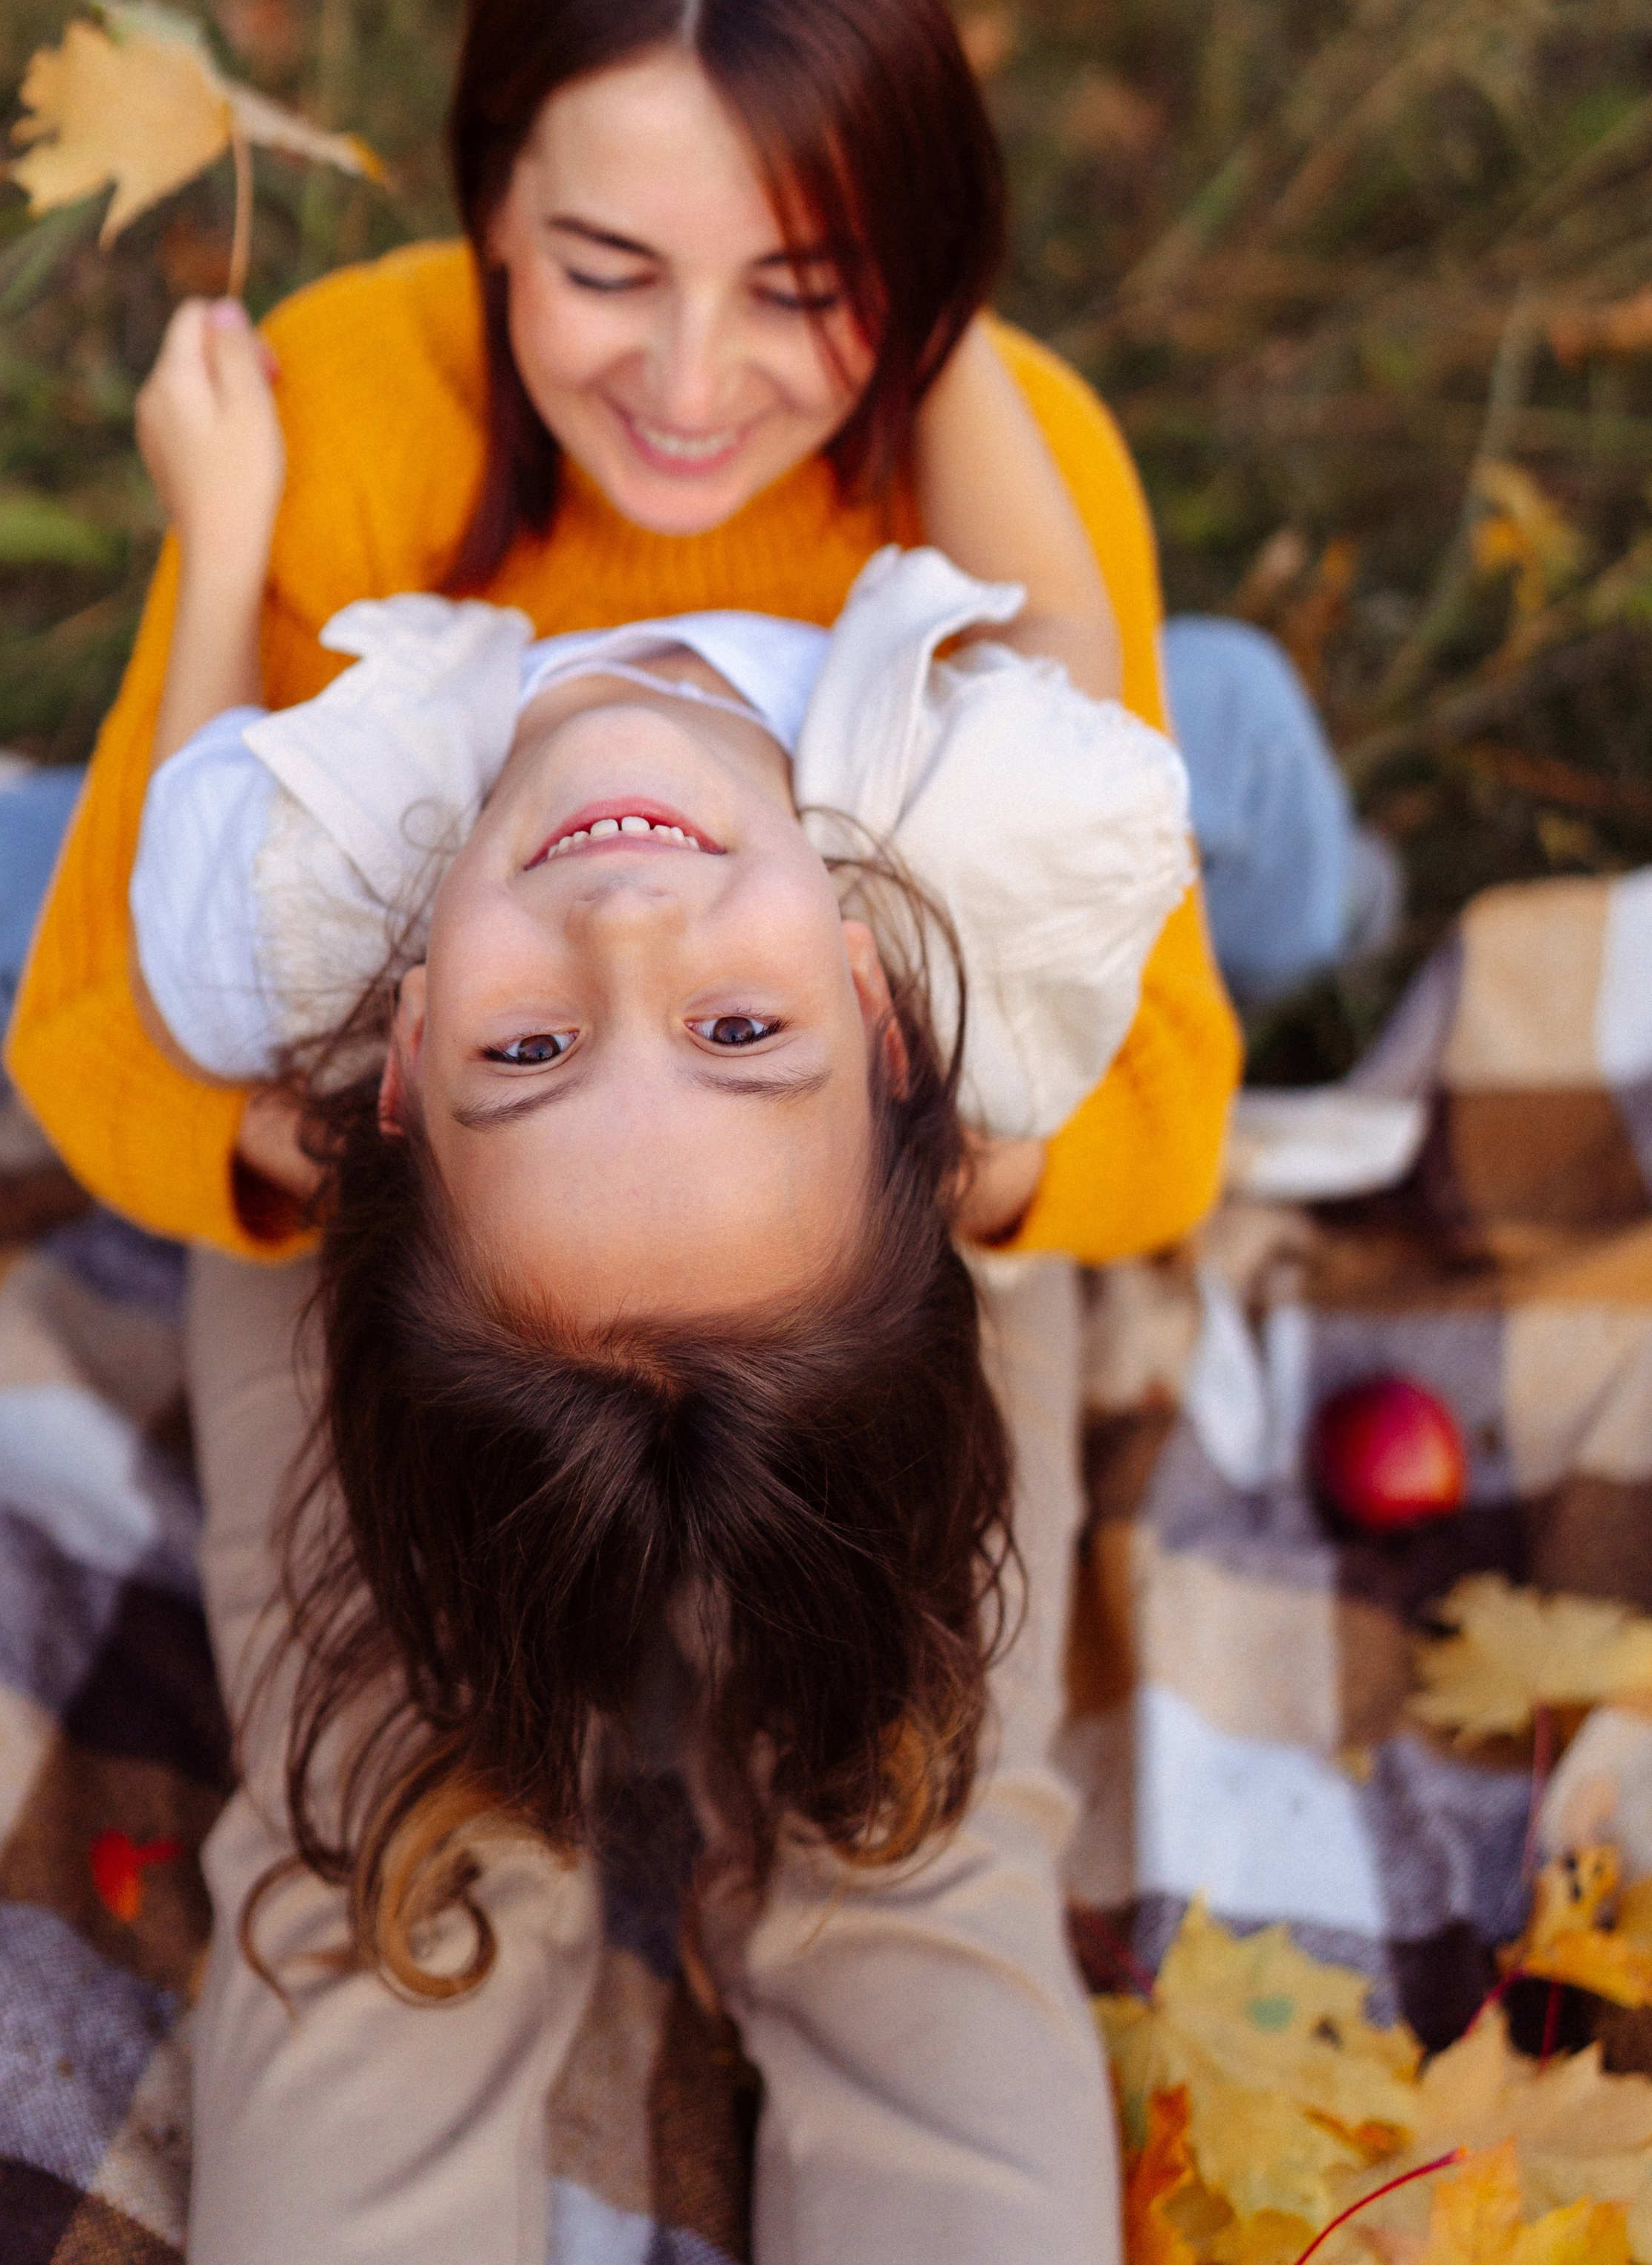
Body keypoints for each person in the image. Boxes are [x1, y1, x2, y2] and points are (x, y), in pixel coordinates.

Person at [0, 0, 1244, 2262]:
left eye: (808, 285)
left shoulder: (1003, 482)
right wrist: (367, 1128)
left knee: (917, 1846)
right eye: (605, 267)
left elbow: (1156, 1111)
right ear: (482, 207)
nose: (698, 386)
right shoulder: (358, 418)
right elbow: (130, 1027)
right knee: (380, 1853)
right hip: (422, 1232)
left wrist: (896, 1156)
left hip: (862, 1212)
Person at [120, 285, 1193, 2018]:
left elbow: (185, 808)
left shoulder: (269, 920)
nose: (624, 927)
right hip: (1085, 719)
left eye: (526, 1050)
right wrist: (922, 298)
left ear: (399, 1052)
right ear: (872, 996)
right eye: (741, 1034)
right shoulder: (1001, 851)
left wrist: (222, 530)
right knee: (1236, 765)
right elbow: (1065, 606)